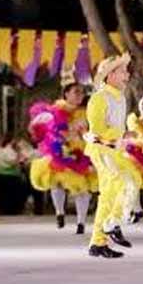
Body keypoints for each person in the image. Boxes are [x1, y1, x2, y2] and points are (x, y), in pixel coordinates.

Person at [27, 71, 96, 234]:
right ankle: (60, 212)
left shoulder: (85, 112)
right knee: (56, 182)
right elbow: (52, 131)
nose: (80, 95)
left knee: (83, 188)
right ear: (66, 93)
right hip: (59, 152)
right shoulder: (56, 110)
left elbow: (87, 132)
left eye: (82, 92)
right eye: (76, 91)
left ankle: (81, 223)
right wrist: (66, 136)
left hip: (80, 152)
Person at [84, 54, 138, 258]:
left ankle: (98, 242)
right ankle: (112, 223)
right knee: (123, 182)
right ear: (110, 75)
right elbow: (97, 129)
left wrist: (127, 135)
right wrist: (123, 134)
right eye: (123, 71)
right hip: (101, 150)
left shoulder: (119, 97)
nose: (128, 74)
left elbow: (117, 129)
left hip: (114, 151)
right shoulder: (99, 98)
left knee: (116, 190)